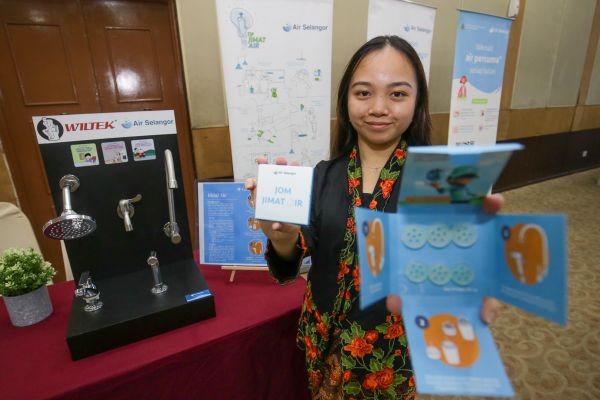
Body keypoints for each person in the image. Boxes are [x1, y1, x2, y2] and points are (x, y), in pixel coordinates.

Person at [246, 35, 501, 399]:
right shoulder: (323, 175)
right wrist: (282, 238)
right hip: (324, 343)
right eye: (364, 93)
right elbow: (290, 264)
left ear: (418, 102)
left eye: (397, 94)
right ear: (345, 100)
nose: (378, 108)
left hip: (389, 356)